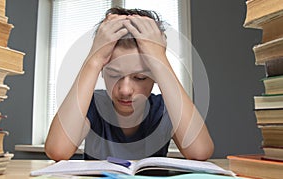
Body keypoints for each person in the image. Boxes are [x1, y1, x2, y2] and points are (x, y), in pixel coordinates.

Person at [45, 7, 214, 161]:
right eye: (114, 74)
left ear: (156, 76)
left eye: (140, 78)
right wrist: (93, 60)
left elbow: (200, 152)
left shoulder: (165, 108)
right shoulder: (92, 105)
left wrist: (159, 60)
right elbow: (57, 150)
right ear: (102, 71)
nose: (125, 90)